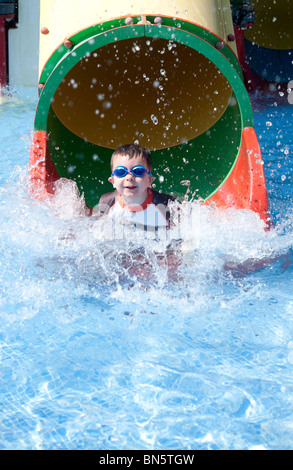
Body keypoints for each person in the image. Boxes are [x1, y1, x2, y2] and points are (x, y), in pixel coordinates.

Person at [95, 144, 178, 231]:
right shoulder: (107, 202)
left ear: (150, 180)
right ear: (112, 181)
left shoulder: (168, 206)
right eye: (120, 172)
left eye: (138, 171)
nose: (129, 177)